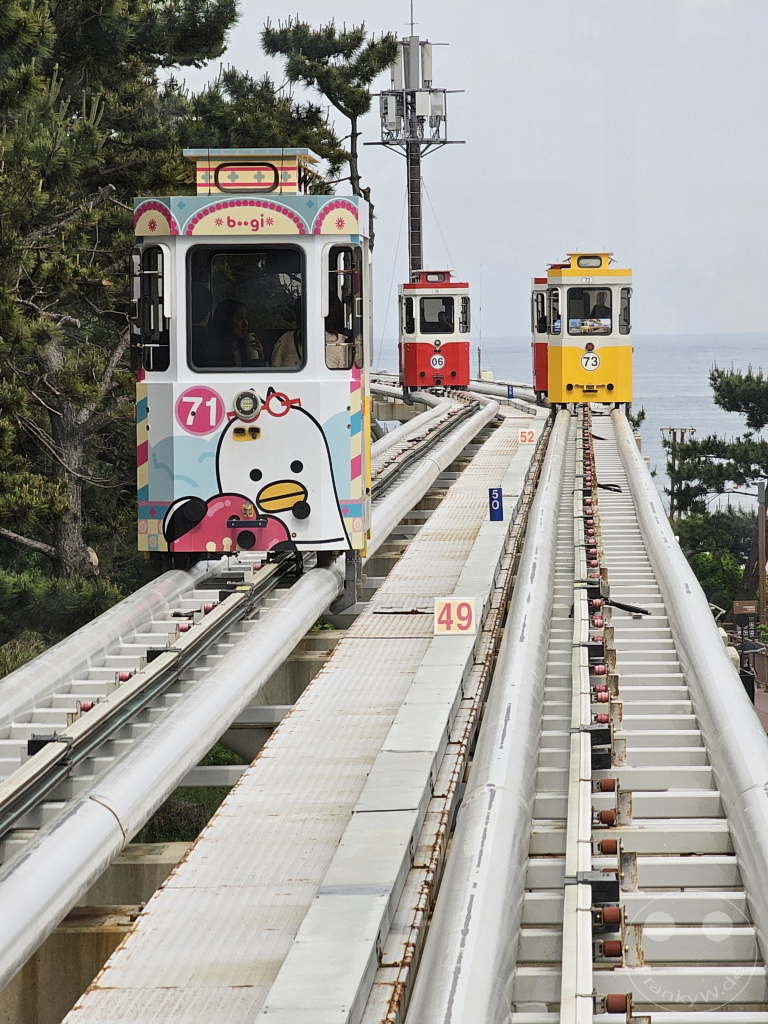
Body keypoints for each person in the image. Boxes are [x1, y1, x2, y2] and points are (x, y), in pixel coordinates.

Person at [209, 300, 265, 367]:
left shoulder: (245, 348)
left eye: (246, 318)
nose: (245, 324)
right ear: (226, 321)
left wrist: (261, 356)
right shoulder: (213, 352)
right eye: (239, 318)